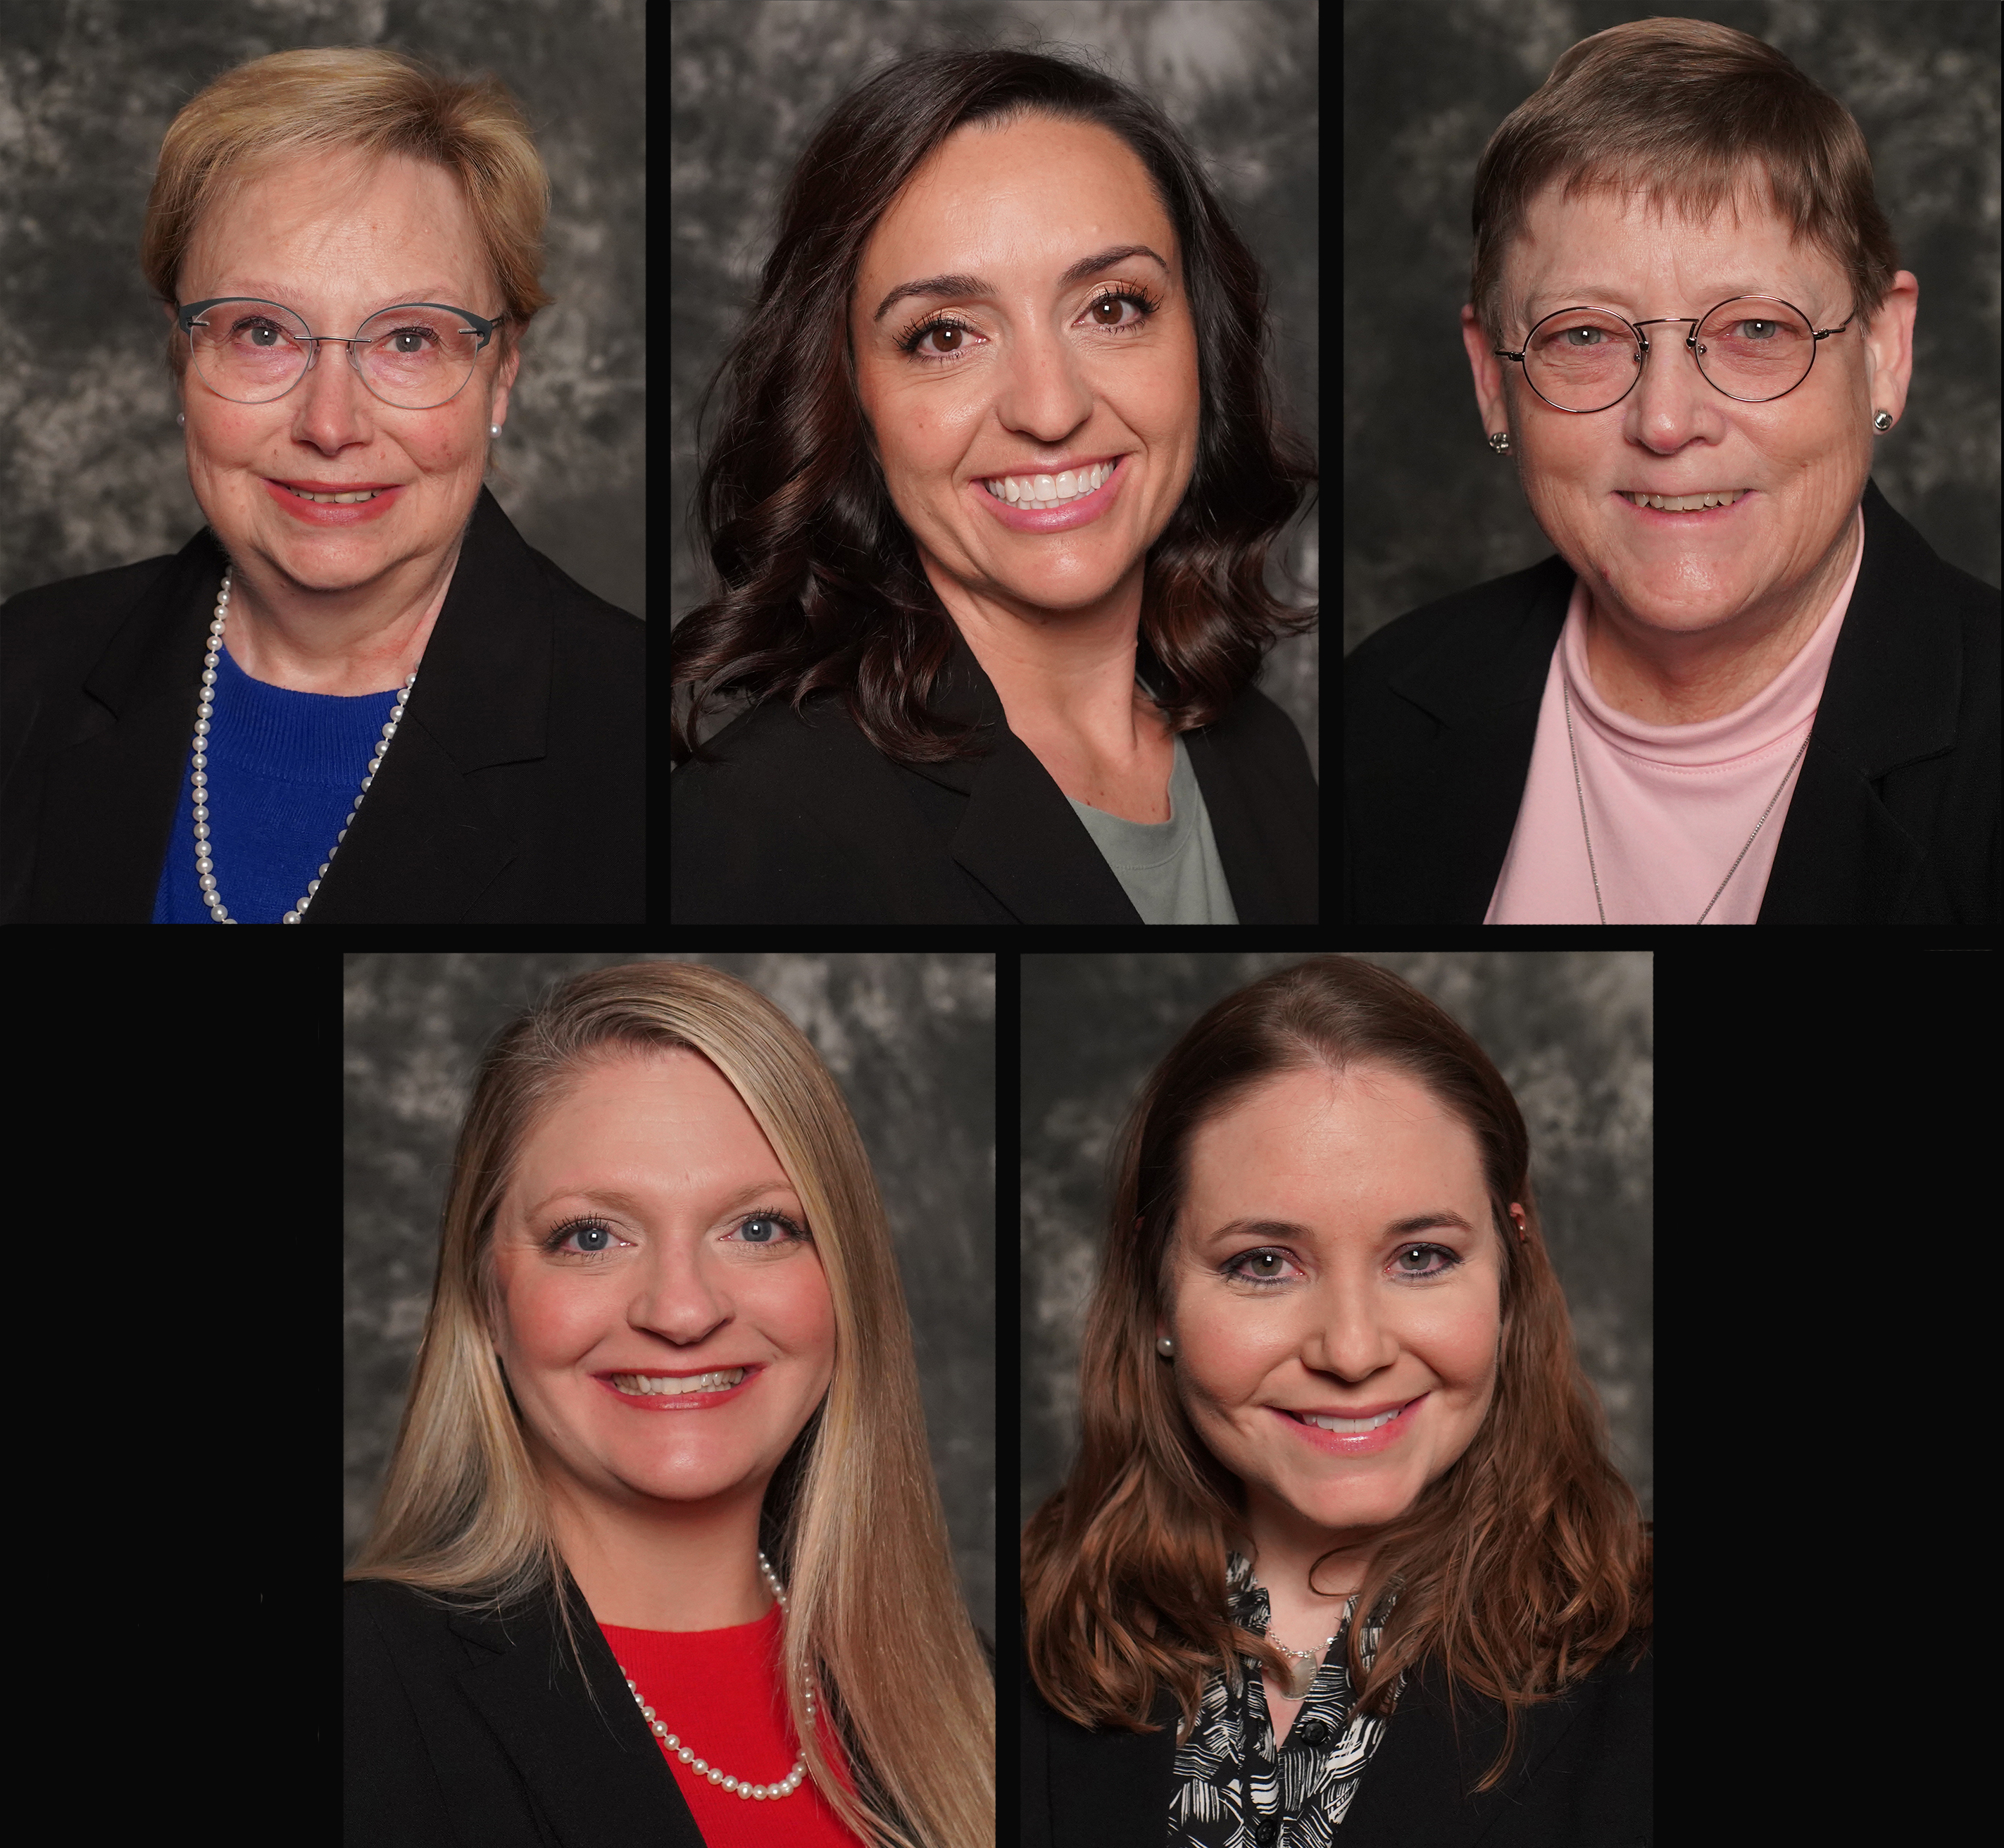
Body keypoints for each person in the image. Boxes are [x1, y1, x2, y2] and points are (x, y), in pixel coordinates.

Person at [1344, 18, 1998, 926]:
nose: (1663, 422)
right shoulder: (1376, 707)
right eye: (1582, 335)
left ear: (1884, 350)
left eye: (1756, 331)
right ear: (1493, 380)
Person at [344, 961, 994, 1847]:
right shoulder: (363, 1688)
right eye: (591, 1235)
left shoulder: (981, 1700)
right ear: (486, 1299)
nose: (682, 1311)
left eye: (759, 1227)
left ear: (846, 1280)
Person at [671, 45, 1317, 925]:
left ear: (1201, 347)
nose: (1048, 409)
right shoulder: (756, 829)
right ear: (849, 396)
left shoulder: (1265, 757)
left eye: (1111, 306)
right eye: (944, 336)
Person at [0, 46, 643, 923]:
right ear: (183, 352)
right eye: (262, 331)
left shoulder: (651, 737)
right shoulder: (25, 664)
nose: (330, 425)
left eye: (409, 339)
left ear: (502, 371)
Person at [1020, 956, 1651, 1847]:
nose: (1351, 1351)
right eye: (1263, 1263)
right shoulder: (1011, 1660)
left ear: (1510, 1272)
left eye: (1421, 1256)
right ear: (1157, 1294)